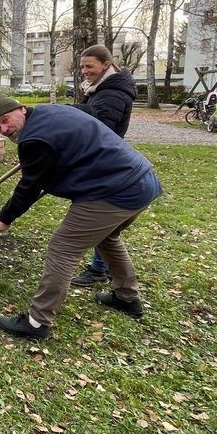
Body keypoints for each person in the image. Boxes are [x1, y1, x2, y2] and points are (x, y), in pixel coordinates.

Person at [0, 93, 162, 340]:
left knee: (63, 248)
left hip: (115, 189)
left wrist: (4, 218)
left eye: (6, 119)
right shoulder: (50, 111)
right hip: (142, 179)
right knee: (107, 237)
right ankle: (126, 297)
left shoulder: (34, 139)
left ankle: (36, 323)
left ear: (21, 109)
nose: (4, 129)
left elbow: (29, 187)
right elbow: (87, 111)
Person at [69, 44, 137, 288]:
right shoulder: (100, 88)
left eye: (90, 66)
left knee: (103, 226)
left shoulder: (112, 94)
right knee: (107, 230)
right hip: (103, 162)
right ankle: (102, 269)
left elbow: (99, 130)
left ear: (106, 65)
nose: (84, 71)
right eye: (82, 67)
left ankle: (100, 269)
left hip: (105, 163)